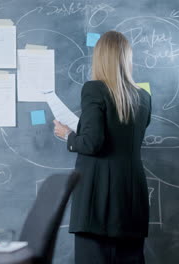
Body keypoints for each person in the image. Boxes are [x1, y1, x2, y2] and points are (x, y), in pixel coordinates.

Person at [53, 31, 151, 264]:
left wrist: (67, 135)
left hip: (98, 198)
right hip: (132, 195)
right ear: (127, 58)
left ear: (100, 58)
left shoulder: (94, 89)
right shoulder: (145, 97)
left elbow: (92, 142)